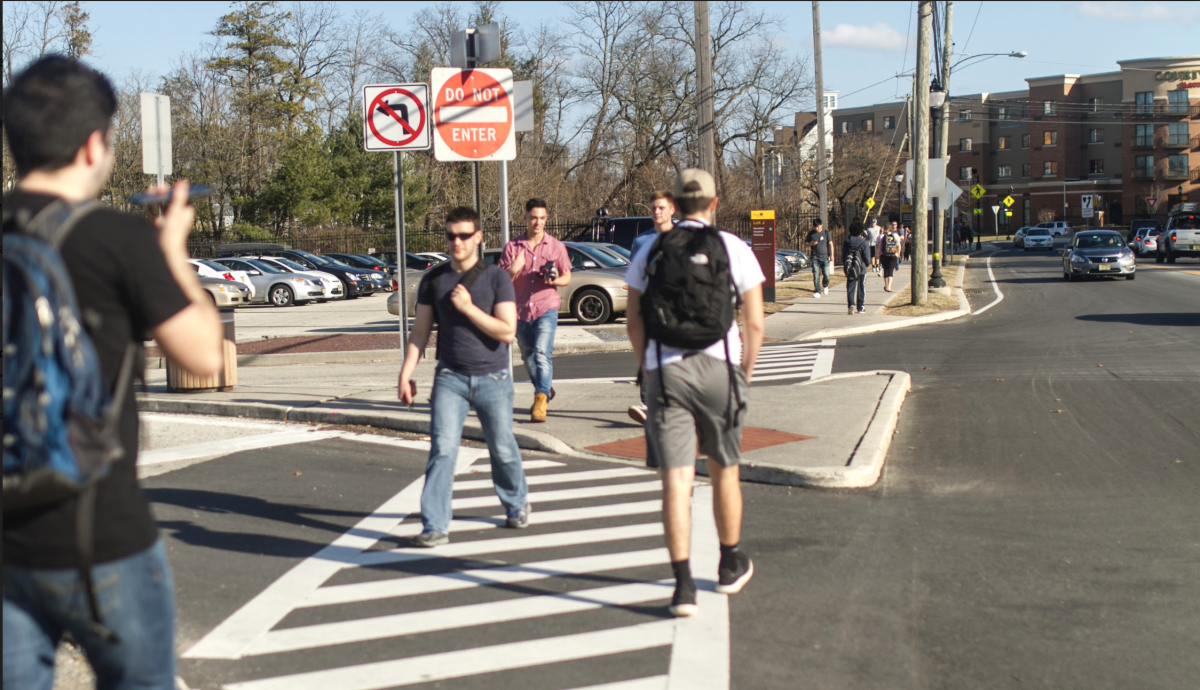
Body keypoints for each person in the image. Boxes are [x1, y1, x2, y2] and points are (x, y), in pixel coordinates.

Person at [3, 55, 223, 690]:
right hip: (98, 533)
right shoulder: (113, 238)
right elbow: (204, 356)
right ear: (94, 143)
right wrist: (172, 252)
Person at [625, 168, 764, 617]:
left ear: (676, 205)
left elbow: (634, 321)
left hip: (668, 371)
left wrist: (650, 365)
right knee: (725, 470)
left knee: (676, 481)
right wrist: (744, 371)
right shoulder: (733, 247)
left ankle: (683, 585)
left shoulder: (649, 249)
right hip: (720, 368)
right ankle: (728, 563)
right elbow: (755, 323)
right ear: (714, 203)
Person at [398, 206, 531, 547]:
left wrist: (469, 308)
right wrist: (405, 374)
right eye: (451, 236)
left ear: (478, 238)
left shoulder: (496, 278)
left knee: (502, 446)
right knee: (442, 450)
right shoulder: (434, 279)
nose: (457, 242)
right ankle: (436, 524)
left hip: (494, 378)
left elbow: (506, 331)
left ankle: (516, 502)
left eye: (464, 236)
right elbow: (420, 333)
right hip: (450, 378)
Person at [499, 199, 572, 423]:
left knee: (542, 352)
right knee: (528, 358)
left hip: (546, 306)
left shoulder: (556, 246)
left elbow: (567, 276)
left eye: (541, 218)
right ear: (525, 218)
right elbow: (501, 281)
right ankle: (545, 387)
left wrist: (555, 280)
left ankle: (540, 399)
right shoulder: (512, 247)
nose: (537, 222)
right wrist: (513, 269)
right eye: (533, 218)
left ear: (546, 219)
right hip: (519, 311)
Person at [627, 191, 677, 425]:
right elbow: (635, 279)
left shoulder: (683, 237)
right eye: (653, 208)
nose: (657, 212)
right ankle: (648, 404)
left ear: (672, 210)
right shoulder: (641, 242)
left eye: (661, 208)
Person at [843, 221, 870, 314]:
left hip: (850, 267)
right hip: (861, 267)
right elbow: (867, 258)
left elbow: (843, 254)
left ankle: (851, 304)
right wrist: (866, 264)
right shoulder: (864, 242)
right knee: (861, 286)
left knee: (850, 286)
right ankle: (861, 306)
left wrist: (845, 264)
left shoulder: (847, 241)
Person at [805, 219, 833, 298]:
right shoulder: (811, 234)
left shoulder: (826, 233)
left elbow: (831, 244)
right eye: (815, 227)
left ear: (821, 225)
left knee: (827, 274)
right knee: (816, 274)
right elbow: (806, 244)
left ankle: (825, 285)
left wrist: (832, 255)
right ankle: (817, 290)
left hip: (824, 256)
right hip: (815, 257)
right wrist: (811, 243)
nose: (817, 228)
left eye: (818, 227)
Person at [878, 221, 904, 292]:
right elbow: (899, 245)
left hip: (884, 255)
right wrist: (898, 253)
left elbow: (879, 246)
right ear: (891, 228)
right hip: (893, 255)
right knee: (891, 270)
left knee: (885, 270)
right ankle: (889, 287)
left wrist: (878, 254)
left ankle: (886, 286)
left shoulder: (881, 236)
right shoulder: (895, 235)